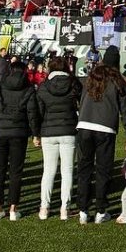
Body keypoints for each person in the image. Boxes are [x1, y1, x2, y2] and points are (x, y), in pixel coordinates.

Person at [76, 46, 126, 224]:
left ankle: (83, 210)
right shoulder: (117, 79)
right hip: (105, 128)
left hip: (84, 125)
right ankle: (100, 210)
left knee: (84, 169)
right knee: (103, 170)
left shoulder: (92, 76)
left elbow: (82, 97)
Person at [0, 61, 41, 221]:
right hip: (19, 132)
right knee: (16, 172)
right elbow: (32, 113)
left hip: (1, 130)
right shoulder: (28, 88)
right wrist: (35, 134)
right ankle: (13, 209)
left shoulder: (1, 85)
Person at [36, 54, 81, 220]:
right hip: (69, 129)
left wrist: (37, 132)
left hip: (48, 131)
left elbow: (38, 111)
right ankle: (64, 208)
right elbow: (81, 103)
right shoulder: (74, 83)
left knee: (48, 171)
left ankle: (44, 208)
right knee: (67, 171)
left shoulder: (43, 86)